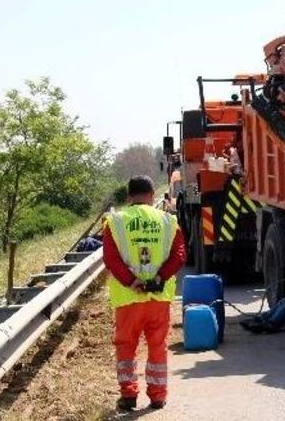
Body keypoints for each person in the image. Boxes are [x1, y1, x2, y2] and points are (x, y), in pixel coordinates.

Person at [103, 175, 186, 411]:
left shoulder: (115, 222)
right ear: (151, 195)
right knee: (157, 346)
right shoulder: (168, 221)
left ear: (129, 197)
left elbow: (110, 258)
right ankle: (158, 396)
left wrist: (132, 281)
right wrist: (159, 277)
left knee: (126, 346)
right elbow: (179, 255)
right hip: (158, 299)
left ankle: (128, 395)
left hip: (129, 299)